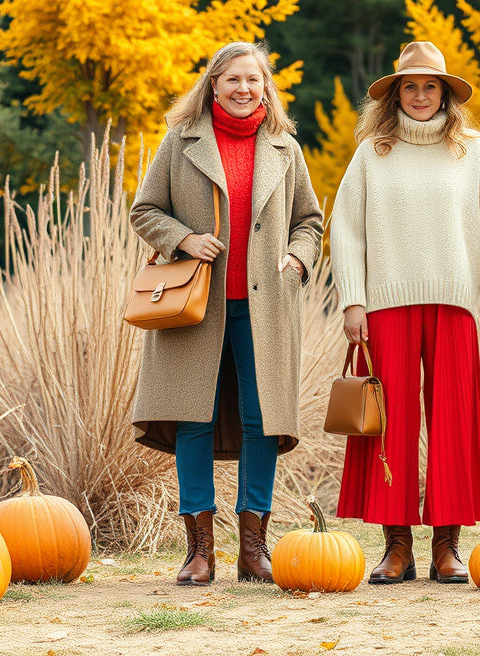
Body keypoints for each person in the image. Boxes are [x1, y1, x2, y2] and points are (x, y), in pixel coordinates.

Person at [130, 41, 323, 586]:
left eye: (253, 81)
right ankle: (198, 553)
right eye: (233, 80)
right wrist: (184, 238)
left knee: (264, 420)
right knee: (195, 415)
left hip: (267, 306)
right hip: (195, 305)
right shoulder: (181, 142)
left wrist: (297, 257)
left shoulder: (285, 147)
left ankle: (254, 550)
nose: (243, 90)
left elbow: (310, 220)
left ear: (266, 87)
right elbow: (144, 210)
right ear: (213, 84)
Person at [330, 41, 480, 584]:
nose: (419, 95)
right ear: (395, 95)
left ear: (445, 94)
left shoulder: (471, 151)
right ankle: (397, 548)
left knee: (455, 423)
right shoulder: (372, 153)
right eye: (409, 87)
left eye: (429, 86)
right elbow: (346, 230)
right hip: (385, 305)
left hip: (454, 303)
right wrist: (353, 299)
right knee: (389, 426)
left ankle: (447, 546)